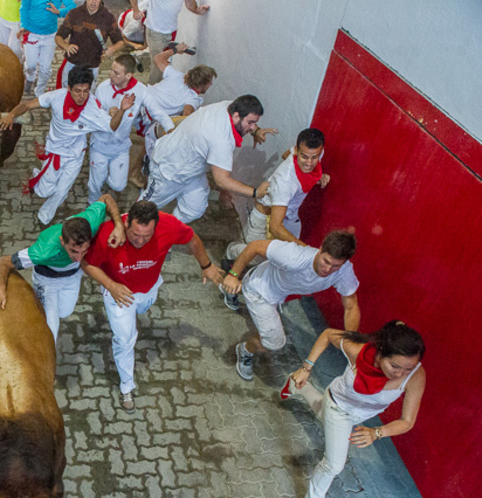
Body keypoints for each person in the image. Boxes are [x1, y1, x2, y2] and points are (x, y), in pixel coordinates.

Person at [287, 321, 426, 498]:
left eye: (407, 368)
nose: (401, 374)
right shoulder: (359, 351)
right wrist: (306, 368)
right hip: (338, 406)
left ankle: (297, 386)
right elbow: (327, 334)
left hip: (359, 415)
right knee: (334, 464)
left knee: (323, 416)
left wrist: (377, 432)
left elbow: (407, 421)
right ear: (380, 354)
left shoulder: (415, 376)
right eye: (395, 366)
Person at [82, 200, 222, 411]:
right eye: (135, 234)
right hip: (119, 294)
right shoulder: (108, 234)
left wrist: (207, 265)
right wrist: (110, 285)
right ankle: (126, 386)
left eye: (146, 236)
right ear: (126, 223)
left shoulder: (169, 225)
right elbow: (87, 263)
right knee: (125, 338)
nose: (139, 241)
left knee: (143, 309)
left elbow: (191, 238)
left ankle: (134, 317)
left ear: (156, 226)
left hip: (148, 289)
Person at [0, 194, 126, 342]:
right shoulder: (43, 251)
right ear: (62, 241)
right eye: (74, 251)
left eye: (84, 251)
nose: (79, 258)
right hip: (47, 281)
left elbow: (106, 199)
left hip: (73, 276)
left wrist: (118, 224)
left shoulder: (91, 222)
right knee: (51, 330)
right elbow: (4, 262)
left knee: (64, 312)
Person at [221, 230, 361, 382]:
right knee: (274, 342)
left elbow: (351, 306)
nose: (327, 270)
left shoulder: (344, 272)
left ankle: (232, 285)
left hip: (276, 291)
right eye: (326, 261)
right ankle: (245, 350)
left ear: (344, 262)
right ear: (320, 249)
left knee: (250, 278)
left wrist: (350, 340)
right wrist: (233, 275)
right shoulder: (294, 256)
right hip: (259, 292)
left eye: (335, 266)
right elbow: (255, 246)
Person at [0, 66, 131, 225]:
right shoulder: (56, 96)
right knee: (44, 191)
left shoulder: (93, 108)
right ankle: (37, 176)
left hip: (75, 156)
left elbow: (111, 126)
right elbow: (28, 105)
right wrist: (12, 115)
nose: (82, 96)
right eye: (77, 91)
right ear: (69, 88)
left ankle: (44, 217)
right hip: (54, 152)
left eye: (86, 91)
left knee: (61, 192)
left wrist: (122, 110)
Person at [221, 128, 330, 309]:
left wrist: (318, 176)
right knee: (256, 255)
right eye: (304, 157)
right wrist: (301, 246)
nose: (310, 163)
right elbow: (275, 227)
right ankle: (232, 252)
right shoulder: (285, 182)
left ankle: (266, 295)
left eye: (315, 157)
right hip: (267, 220)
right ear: (297, 150)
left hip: (289, 217)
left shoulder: (308, 153)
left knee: (278, 260)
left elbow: (285, 154)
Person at [142, 95, 278, 224]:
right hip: (167, 170)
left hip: (192, 171)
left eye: (255, 124)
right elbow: (221, 180)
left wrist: (256, 131)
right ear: (236, 116)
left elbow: (245, 119)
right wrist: (255, 192)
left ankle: (167, 230)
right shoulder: (220, 139)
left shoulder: (229, 107)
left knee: (194, 209)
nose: (252, 127)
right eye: (251, 123)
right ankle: (128, 235)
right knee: (144, 210)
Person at [131, 51, 215, 187]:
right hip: (146, 113)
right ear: (201, 85)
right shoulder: (192, 98)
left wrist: (176, 50)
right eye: (209, 82)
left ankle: (133, 172)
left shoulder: (177, 75)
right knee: (150, 144)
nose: (210, 85)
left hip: (139, 98)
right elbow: (186, 116)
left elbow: (158, 58)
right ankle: (135, 174)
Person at [87, 54, 147, 204]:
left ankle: (111, 180)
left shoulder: (140, 90)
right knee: (96, 183)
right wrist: (109, 114)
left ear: (128, 75)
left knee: (118, 185)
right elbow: (96, 116)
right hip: (100, 145)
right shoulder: (102, 89)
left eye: (116, 72)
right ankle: (92, 205)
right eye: (112, 70)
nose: (110, 74)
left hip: (120, 146)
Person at [54, 0, 136, 89]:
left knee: (88, 95)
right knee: (66, 92)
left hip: (92, 66)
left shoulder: (108, 18)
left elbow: (120, 42)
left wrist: (113, 48)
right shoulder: (74, 14)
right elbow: (58, 36)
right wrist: (66, 46)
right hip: (72, 63)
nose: (93, 2)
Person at [129, 0, 208, 84]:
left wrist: (197, 10)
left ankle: (162, 87)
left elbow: (189, 3)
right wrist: (135, 10)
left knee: (166, 62)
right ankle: (152, 91)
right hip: (155, 31)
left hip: (171, 30)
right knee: (158, 66)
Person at [19, 0, 76, 97]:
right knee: (30, 65)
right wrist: (24, 26)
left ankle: (39, 91)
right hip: (32, 34)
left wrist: (59, 12)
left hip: (50, 36)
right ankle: (30, 78)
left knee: (45, 68)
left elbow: (72, 7)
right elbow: (24, 9)